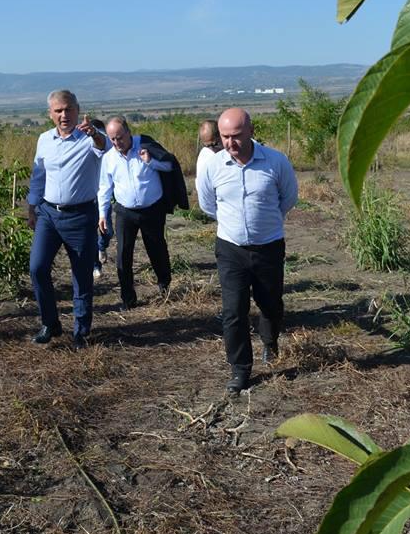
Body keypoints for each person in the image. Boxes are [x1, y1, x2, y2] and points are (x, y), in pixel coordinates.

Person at [196, 108, 298, 395]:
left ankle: (270, 340)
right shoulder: (213, 166)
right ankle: (240, 369)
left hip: (268, 246)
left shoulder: (276, 162)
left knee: (270, 303)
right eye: (225, 137)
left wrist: (262, 224)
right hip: (230, 248)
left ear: (251, 131)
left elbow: (288, 198)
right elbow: (208, 204)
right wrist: (235, 225)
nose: (231, 143)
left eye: (237, 136)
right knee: (234, 311)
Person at [27, 90, 109, 347]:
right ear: (50, 113)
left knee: (81, 275)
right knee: (37, 268)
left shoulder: (88, 137)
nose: (64, 115)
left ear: (77, 110)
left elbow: (104, 146)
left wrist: (94, 133)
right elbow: (39, 175)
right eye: (58, 110)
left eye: (69, 109)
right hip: (49, 215)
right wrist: (32, 207)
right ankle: (50, 324)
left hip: (81, 215)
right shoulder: (44, 140)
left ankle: (81, 331)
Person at [98, 116, 174, 310]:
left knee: (157, 249)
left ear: (128, 132)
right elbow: (104, 188)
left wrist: (150, 162)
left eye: (120, 137)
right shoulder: (109, 158)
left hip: (152, 210)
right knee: (124, 254)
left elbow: (169, 166)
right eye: (112, 139)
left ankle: (164, 287)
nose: (117, 143)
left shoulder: (146, 145)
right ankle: (128, 299)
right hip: (125, 211)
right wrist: (102, 214)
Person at [91, 118, 113, 280]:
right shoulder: (85, 150)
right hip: (88, 197)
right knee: (90, 233)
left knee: (107, 231)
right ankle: (95, 266)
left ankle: (102, 247)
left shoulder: (109, 149)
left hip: (104, 196)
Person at [194, 119, 223, 200]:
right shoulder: (206, 156)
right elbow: (201, 187)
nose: (212, 149)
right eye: (207, 146)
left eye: (215, 144)